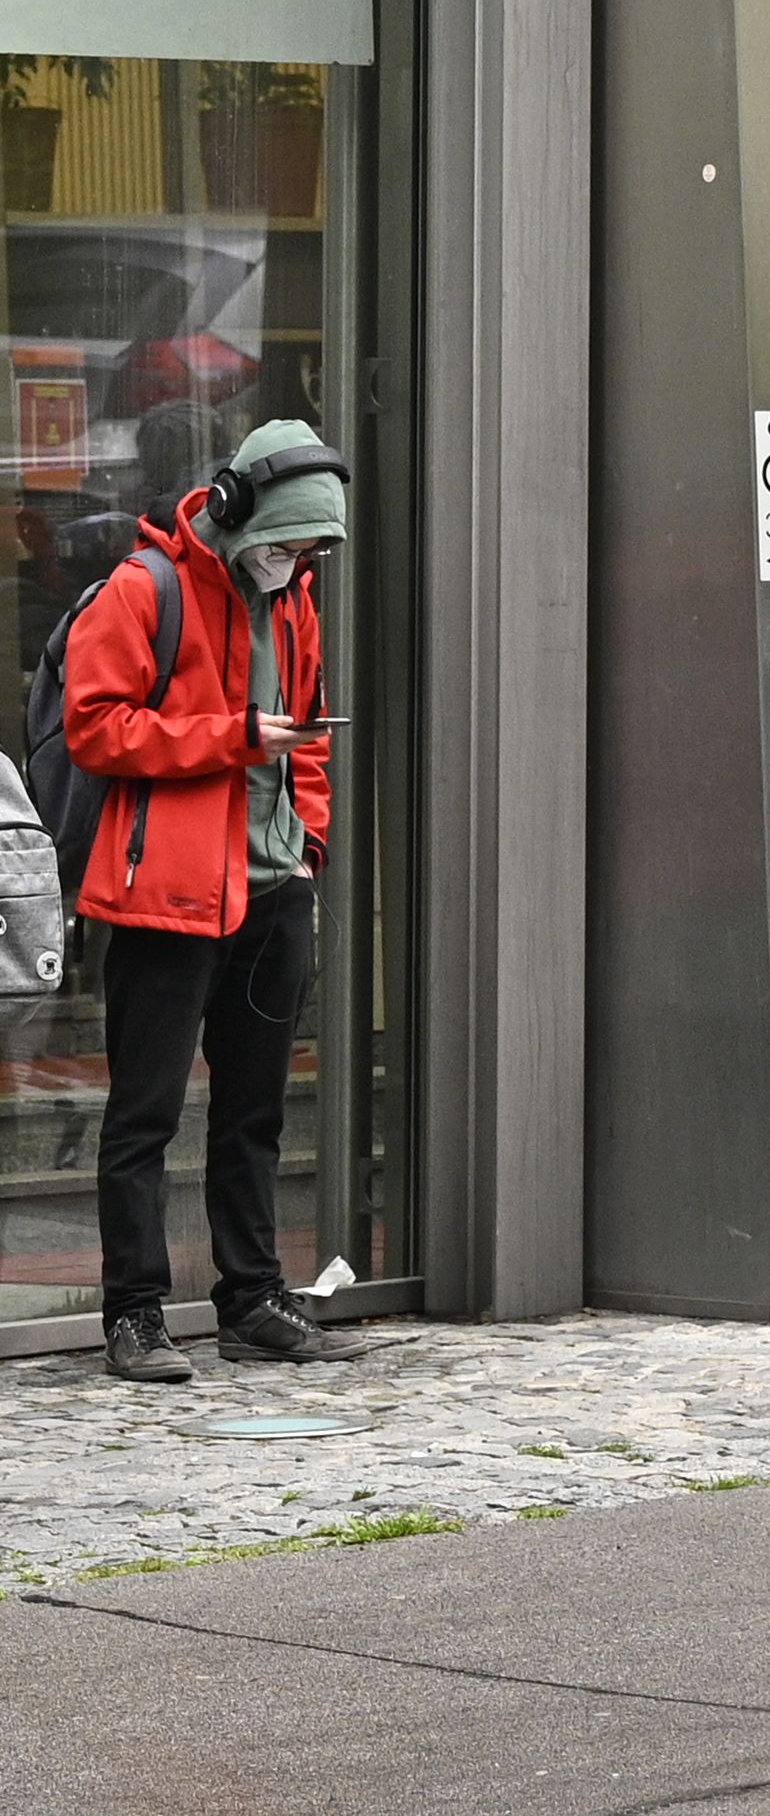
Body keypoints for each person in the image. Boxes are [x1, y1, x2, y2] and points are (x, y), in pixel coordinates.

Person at [85, 420, 364, 1384]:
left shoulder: (297, 603)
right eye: (285, 546)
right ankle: (134, 1314)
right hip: (162, 895)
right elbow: (97, 727)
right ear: (241, 515)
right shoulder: (142, 590)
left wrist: (308, 844)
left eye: (312, 551)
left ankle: (251, 1299)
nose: (296, 565)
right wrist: (235, 735)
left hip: (272, 888)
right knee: (145, 1115)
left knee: (255, 1114)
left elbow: (311, 734)